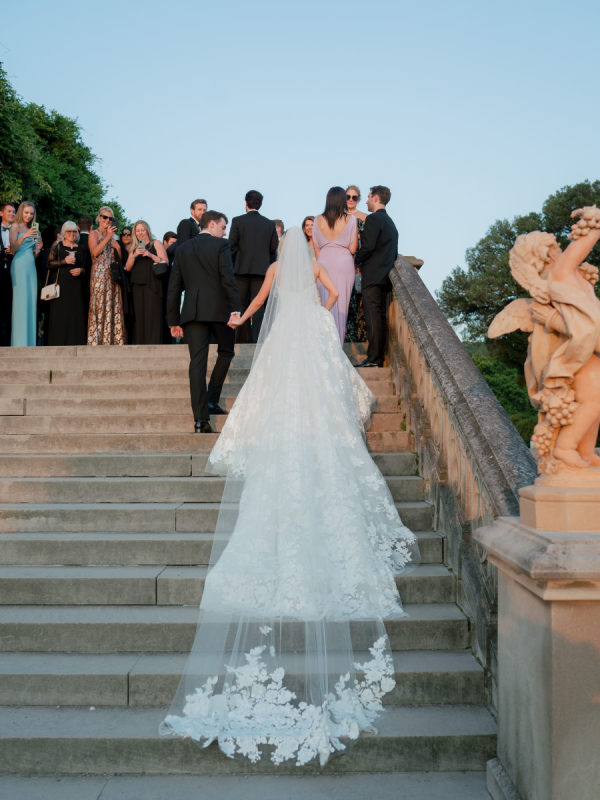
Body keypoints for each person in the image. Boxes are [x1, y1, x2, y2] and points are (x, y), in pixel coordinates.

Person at [160, 227, 418, 766]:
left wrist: (242, 317)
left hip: (284, 339)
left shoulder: (277, 271)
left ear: (283, 254)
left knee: (277, 393)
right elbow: (332, 293)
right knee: (318, 396)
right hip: (311, 333)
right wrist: (323, 314)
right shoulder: (311, 274)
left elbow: (257, 301)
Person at [166, 210, 241, 432]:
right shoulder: (221, 245)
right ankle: (211, 398)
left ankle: (201, 420)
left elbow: (174, 286)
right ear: (211, 224)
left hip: (192, 311)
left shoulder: (183, 248)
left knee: (196, 363)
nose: (224, 231)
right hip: (220, 311)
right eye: (223, 226)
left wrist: (173, 320)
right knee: (226, 351)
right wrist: (235, 309)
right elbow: (228, 279)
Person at [355, 186, 398, 367]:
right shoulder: (390, 222)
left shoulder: (373, 219)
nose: (366, 201)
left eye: (368, 197)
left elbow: (368, 246)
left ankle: (373, 358)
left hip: (372, 277)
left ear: (375, 198)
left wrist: (355, 259)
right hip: (384, 278)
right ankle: (377, 357)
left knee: (373, 318)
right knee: (379, 317)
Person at [228, 189, 278, 343]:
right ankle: (258, 341)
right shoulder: (269, 224)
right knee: (259, 307)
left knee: (240, 305)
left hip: (240, 270)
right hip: (262, 272)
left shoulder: (237, 221)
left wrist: (236, 263)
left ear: (246, 203)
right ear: (260, 204)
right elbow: (273, 248)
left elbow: (231, 246)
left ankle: (241, 341)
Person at [312, 186, 358, 345]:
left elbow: (316, 248)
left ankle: (324, 343)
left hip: (324, 262)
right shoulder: (351, 219)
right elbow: (353, 249)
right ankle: (337, 344)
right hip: (344, 263)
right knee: (341, 306)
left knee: (325, 303)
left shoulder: (317, 220)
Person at [124, 220, 168, 344]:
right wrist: (133, 255)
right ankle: (140, 344)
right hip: (137, 285)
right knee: (139, 317)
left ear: (147, 230)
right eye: (138, 231)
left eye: (142, 230)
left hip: (152, 284)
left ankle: (154, 343)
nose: (140, 233)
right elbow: (127, 268)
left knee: (152, 315)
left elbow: (165, 262)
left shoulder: (156, 243)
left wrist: (149, 254)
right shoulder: (133, 248)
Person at [87, 206, 125, 345]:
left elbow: (119, 259)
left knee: (112, 305)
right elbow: (95, 252)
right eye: (105, 217)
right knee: (99, 305)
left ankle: (113, 340)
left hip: (112, 275)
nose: (107, 220)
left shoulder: (114, 237)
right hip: (99, 274)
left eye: (111, 218)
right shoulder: (94, 233)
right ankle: (98, 341)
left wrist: (118, 247)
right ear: (99, 218)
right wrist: (108, 236)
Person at [45, 221, 87, 346]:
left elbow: (87, 267)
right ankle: (59, 343)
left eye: (74, 231)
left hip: (76, 286)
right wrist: (64, 261)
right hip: (61, 286)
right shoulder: (57, 246)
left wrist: (81, 270)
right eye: (69, 231)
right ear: (63, 233)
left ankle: (76, 343)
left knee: (75, 314)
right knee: (61, 315)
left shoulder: (82, 248)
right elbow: (49, 264)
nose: (72, 234)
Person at [9, 201, 42, 346]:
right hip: (19, 264)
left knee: (31, 301)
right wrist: (24, 235)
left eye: (31, 213)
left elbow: (33, 254)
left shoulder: (35, 230)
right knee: (20, 302)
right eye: (26, 212)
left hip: (31, 265)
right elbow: (13, 248)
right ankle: (19, 342)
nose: (29, 216)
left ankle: (30, 342)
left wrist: (39, 249)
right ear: (21, 212)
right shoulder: (15, 226)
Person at [345, 185, 368, 343]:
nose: (351, 200)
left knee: (355, 302)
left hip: (358, 262)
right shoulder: (338, 216)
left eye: (354, 197)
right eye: (348, 197)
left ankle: (353, 337)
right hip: (341, 260)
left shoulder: (365, 217)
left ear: (359, 199)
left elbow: (368, 240)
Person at [0, 202, 16, 346]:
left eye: (13, 212)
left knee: (10, 306)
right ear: (1, 213)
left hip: (14, 270)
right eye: (9, 211)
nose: (12, 214)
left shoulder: (18, 230)